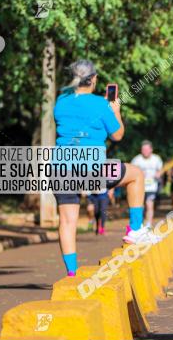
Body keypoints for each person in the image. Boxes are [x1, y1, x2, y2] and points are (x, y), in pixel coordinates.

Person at [53, 60, 159, 277]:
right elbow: (117, 135)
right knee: (136, 174)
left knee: (67, 220)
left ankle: (72, 272)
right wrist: (116, 110)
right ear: (93, 79)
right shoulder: (101, 104)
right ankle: (135, 230)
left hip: (61, 168)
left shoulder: (61, 101)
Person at [131, 141, 164, 230]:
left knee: (149, 204)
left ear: (151, 150)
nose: (145, 151)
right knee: (139, 205)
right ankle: (139, 224)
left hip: (151, 186)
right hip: (139, 186)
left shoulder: (156, 159)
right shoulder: (136, 160)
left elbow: (161, 170)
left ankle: (148, 224)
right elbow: (131, 172)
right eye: (143, 149)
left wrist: (158, 173)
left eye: (147, 149)